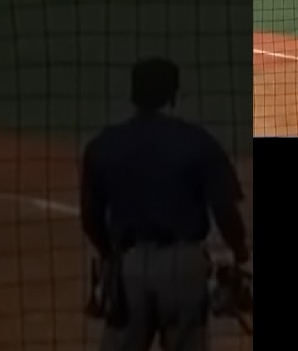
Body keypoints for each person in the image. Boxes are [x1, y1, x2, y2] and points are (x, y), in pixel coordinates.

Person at [81, 57, 249, 351]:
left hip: (129, 266)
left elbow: (90, 217)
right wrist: (240, 254)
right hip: (183, 267)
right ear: (173, 95)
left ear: (133, 95)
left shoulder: (103, 145)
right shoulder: (199, 142)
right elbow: (225, 212)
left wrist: (109, 254)